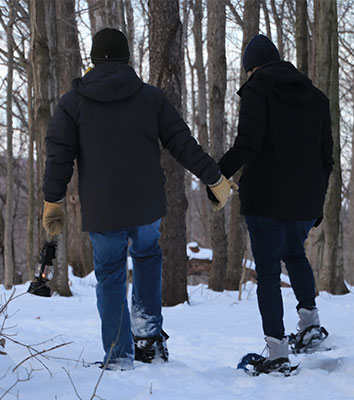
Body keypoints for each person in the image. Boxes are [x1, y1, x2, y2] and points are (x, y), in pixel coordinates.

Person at [42, 28, 236, 370]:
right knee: (146, 258)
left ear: (93, 59)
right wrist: (213, 177)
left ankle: (118, 354)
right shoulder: (150, 98)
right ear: (127, 57)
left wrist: (53, 201)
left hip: (103, 209)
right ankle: (148, 340)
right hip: (146, 204)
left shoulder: (73, 103)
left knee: (111, 275)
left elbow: (59, 155)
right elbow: (181, 142)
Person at [208, 34, 333, 374]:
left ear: (251, 68)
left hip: (265, 197)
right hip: (305, 200)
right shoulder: (317, 98)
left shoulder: (256, 90)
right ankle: (309, 324)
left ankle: (277, 350)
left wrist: (216, 176)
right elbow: (326, 158)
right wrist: (317, 200)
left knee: (267, 270)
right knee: (294, 254)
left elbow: (248, 143)